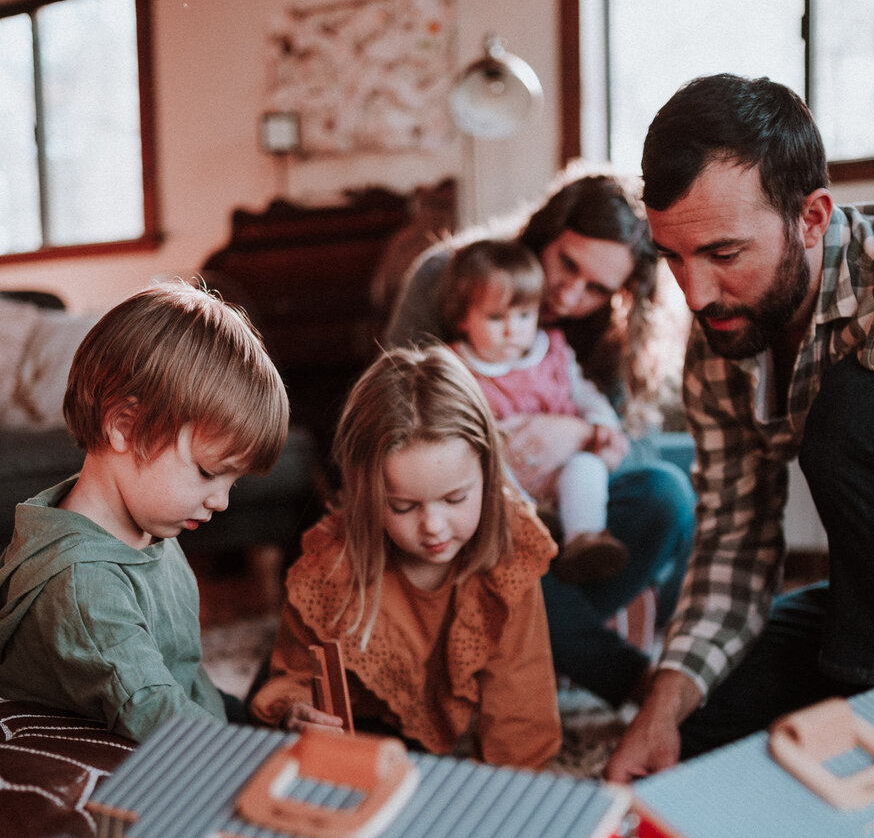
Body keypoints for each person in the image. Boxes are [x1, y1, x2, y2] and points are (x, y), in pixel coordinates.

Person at [607, 72, 874, 782]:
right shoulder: (725, 325)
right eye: (672, 256)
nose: (694, 294)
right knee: (698, 730)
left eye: (724, 254)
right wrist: (660, 707)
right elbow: (733, 539)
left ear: (812, 218)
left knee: (849, 411)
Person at [386, 167, 696, 709]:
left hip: (562, 524)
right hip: (465, 519)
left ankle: (519, 644)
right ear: (546, 231)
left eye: (597, 288)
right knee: (501, 552)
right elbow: (389, 418)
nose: (569, 294)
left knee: (667, 496)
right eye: (567, 264)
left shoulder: (603, 335)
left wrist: (574, 432)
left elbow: (624, 446)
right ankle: (627, 680)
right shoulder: (451, 275)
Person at [0, 280, 290, 741]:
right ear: (123, 426)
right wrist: (272, 755)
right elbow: (170, 727)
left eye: (233, 483)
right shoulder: (84, 587)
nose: (221, 501)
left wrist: (257, 720)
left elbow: (181, 680)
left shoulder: (147, 529)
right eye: (207, 471)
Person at [251, 344, 561, 770]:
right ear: (366, 495)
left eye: (455, 499)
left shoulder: (509, 550)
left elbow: (522, 718)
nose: (432, 525)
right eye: (402, 506)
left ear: (488, 475)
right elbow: (294, 677)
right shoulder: (331, 562)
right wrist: (295, 710)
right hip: (360, 723)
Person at [440, 236, 630, 584]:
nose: (513, 330)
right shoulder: (455, 368)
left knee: (586, 467)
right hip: (507, 483)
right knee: (489, 476)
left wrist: (601, 425)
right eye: (496, 317)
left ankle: (584, 538)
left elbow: (585, 394)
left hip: (559, 475)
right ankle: (528, 524)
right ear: (463, 318)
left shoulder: (553, 352)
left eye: (524, 315)